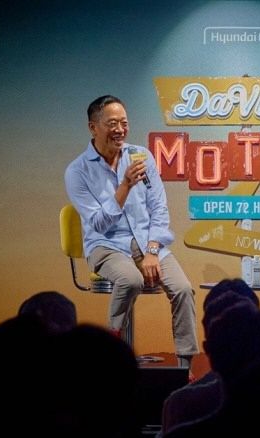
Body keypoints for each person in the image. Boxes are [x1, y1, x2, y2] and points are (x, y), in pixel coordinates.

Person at [64, 95, 198, 368]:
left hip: (147, 243)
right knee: (131, 280)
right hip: (106, 245)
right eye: (112, 123)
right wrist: (124, 186)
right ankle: (110, 351)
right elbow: (99, 224)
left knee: (184, 289)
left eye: (124, 123)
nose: (120, 130)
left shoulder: (142, 156)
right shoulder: (77, 172)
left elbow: (159, 208)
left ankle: (184, 367)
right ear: (93, 127)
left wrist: (152, 251)